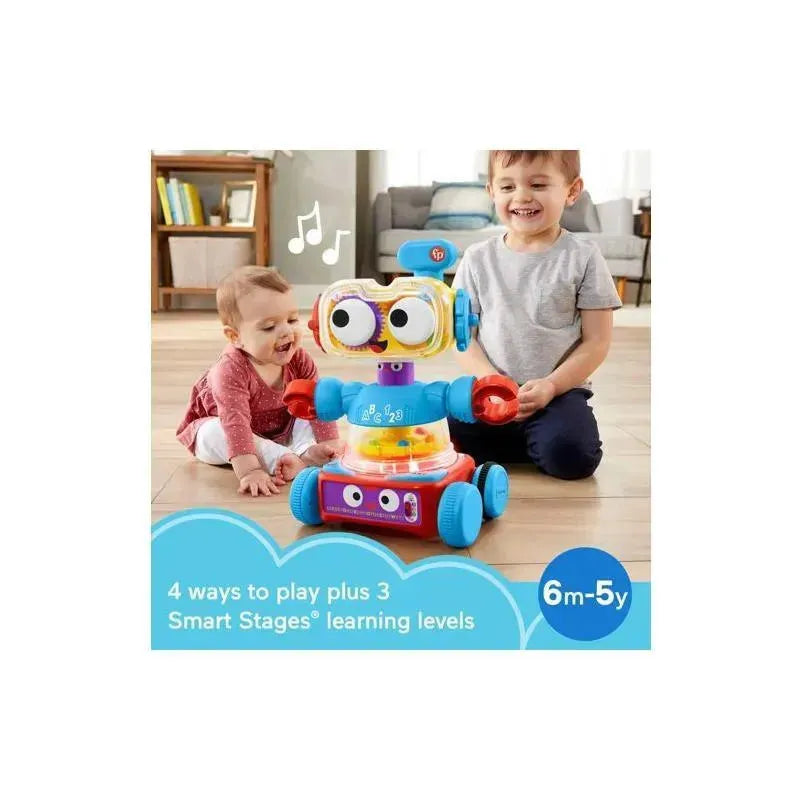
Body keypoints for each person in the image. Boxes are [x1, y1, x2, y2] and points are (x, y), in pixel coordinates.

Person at [450, 150, 621, 480]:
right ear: (491, 192)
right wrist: (491, 380)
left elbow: (597, 342)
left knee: (573, 457)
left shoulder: (584, 257)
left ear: (572, 190)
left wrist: (551, 386)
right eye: (507, 187)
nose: (522, 197)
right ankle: (525, 442)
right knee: (441, 432)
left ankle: (534, 440)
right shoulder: (476, 258)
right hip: (490, 391)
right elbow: (462, 339)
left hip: (558, 394)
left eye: (538, 185)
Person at [176, 265, 343, 496]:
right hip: (232, 432)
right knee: (215, 431)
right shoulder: (230, 370)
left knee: (310, 405)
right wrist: (250, 471)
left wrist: (332, 448)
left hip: (279, 430)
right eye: (269, 327)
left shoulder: (299, 360)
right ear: (235, 337)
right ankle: (282, 457)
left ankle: (306, 452)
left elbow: (318, 406)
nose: (286, 332)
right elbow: (234, 423)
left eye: (292, 320)